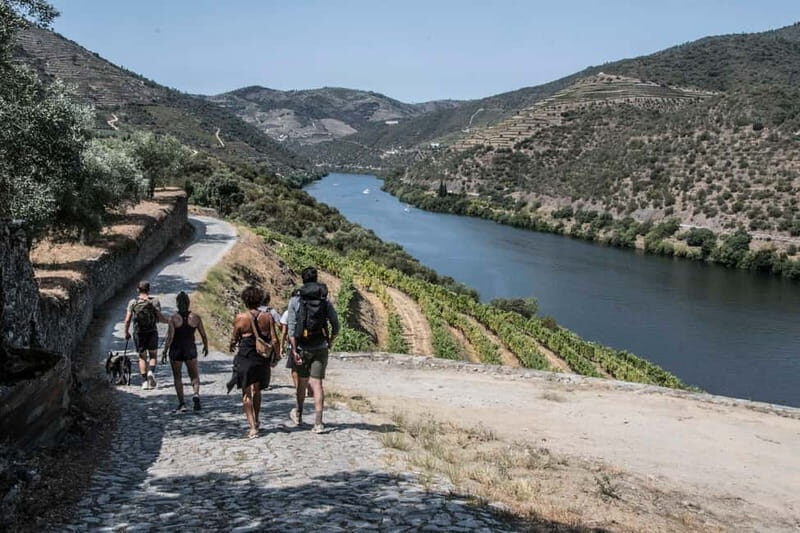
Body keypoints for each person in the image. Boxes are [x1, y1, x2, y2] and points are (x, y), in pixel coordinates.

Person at [287, 267, 339, 433]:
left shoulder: (296, 300)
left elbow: (291, 327)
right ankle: (318, 423)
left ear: (302, 279)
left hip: (302, 346)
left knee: (302, 383)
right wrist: (330, 340)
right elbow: (336, 324)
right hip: (320, 346)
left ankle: (299, 414)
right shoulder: (324, 300)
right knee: (317, 384)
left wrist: (294, 350)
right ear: (316, 279)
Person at [229, 286, 275, 439]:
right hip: (262, 357)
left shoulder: (241, 318)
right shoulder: (267, 317)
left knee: (246, 392)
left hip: (246, 355)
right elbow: (274, 339)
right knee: (257, 389)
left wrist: (232, 345)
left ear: (245, 300)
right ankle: (257, 418)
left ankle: (252, 427)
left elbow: (234, 338)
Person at [162, 291, 209, 412]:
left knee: (177, 377)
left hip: (176, 349)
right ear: (188, 303)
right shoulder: (196, 317)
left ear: (177, 303)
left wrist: (164, 351)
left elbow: (170, 337)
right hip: (190, 348)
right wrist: (205, 346)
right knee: (194, 375)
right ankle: (196, 394)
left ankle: (182, 403)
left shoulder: (173, 318)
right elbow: (203, 335)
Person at [124, 281, 168, 390]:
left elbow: (127, 319)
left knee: (142, 357)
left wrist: (126, 332)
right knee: (153, 355)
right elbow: (159, 317)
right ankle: (151, 372)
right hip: (152, 331)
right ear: (149, 289)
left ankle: (144, 382)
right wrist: (169, 321)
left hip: (139, 333)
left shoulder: (133, 302)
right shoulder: (154, 301)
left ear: (138, 289)